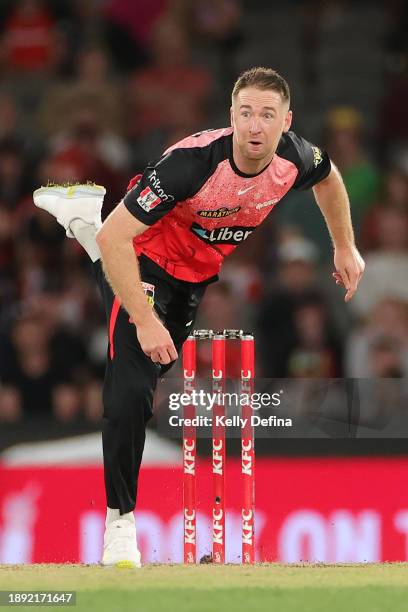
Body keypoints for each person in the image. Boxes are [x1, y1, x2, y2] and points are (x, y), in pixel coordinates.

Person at [33, 67, 365, 567]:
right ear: (232, 117)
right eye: (246, 113)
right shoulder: (189, 165)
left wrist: (345, 246)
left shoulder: (295, 157)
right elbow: (117, 240)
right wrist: (144, 320)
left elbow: (331, 176)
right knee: (130, 390)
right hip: (141, 255)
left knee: (154, 369)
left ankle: (83, 218)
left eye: (267, 116)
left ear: (286, 122)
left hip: (193, 279)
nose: (255, 126)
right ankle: (119, 524)